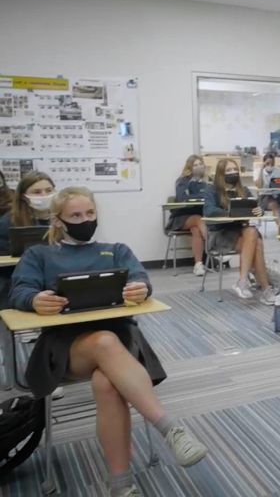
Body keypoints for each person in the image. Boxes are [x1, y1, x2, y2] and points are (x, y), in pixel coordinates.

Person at [10, 186, 208, 497]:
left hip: (121, 341)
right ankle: (170, 428)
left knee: (106, 382)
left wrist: (139, 288)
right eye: (76, 215)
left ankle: (120, 485)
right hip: (66, 348)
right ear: (58, 220)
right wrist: (34, 299)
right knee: (103, 342)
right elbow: (17, 292)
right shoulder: (40, 254)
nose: (85, 220)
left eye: (90, 213)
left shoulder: (116, 250)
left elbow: (141, 279)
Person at [202, 158, 279, 305]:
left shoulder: (244, 190)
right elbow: (209, 211)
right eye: (229, 170)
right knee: (255, 239)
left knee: (252, 234)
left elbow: (254, 207)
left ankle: (243, 282)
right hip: (220, 235)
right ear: (220, 174)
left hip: (242, 233)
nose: (233, 173)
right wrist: (231, 213)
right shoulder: (211, 190)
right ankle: (265, 289)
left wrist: (259, 211)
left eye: (235, 169)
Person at [166, 155, 208, 276]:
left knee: (196, 230)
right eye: (195, 165)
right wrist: (200, 196)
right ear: (189, 167)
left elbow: (210, 196)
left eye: (201, 164)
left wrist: (200, 197)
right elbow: (182, 198)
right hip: (181, 217)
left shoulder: (205, 181)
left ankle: (198, 264)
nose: (199, 167)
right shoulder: (182, 181)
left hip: (198, 218)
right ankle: (213, 245)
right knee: (198, 219)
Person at [0, 171, 56, 256]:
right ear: (23, 196)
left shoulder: (63, 216)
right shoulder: (9, 221)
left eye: (49, 190)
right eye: (37, 192)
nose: (44, 195)